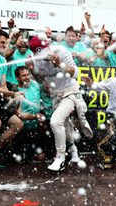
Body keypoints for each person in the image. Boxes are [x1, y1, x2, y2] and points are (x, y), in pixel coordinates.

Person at [28, 36, 93, 171]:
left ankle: (60, 158)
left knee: (55, 121)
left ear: (48, 47)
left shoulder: (62, 51)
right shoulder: (36, 59)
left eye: (43, 52)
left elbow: (76, 73)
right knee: (64, 125)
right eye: (37, 54)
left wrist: (59, 65)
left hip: (70, 93)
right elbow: (41, 81)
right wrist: (31, 70)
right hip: (55, 95)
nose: (41, 56)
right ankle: (74, 152)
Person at [0, 28, 24, 167]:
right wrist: (11, 94)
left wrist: (13, 100)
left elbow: (3, 85)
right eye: (2, 42)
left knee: (18, 124)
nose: (4, 46)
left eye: (5, 43)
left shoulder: (3, 60)